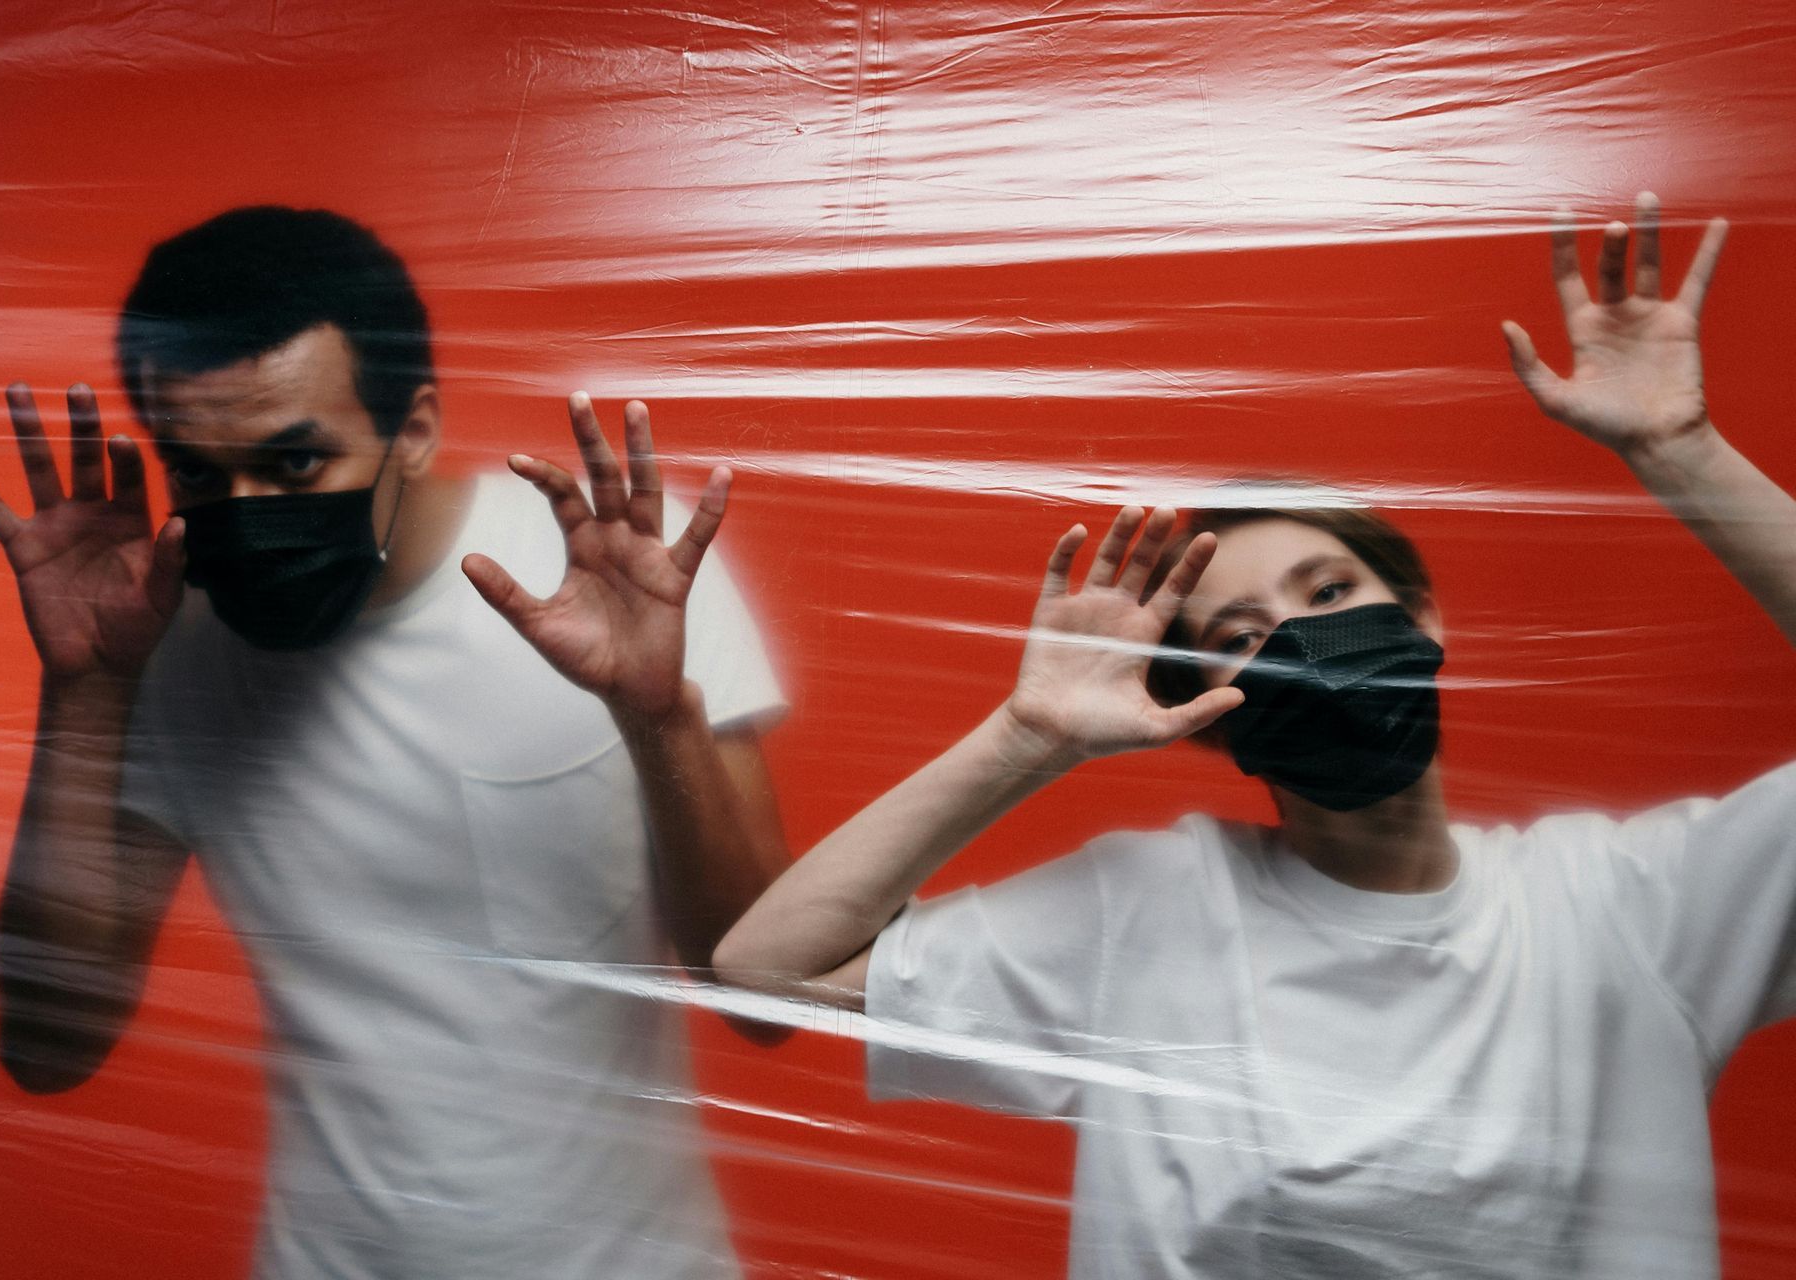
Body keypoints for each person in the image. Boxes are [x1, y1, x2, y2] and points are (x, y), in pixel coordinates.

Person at [714, 193, 1796, 1279]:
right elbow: (763, 968)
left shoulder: (1625, 909)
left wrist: (1683, 451)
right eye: (1241, 637)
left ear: (1422, 617)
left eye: (1329, 591)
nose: (1302, 642)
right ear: (1205, 711)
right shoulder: (1153, 910)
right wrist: (1026, 734)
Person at [0, 206, 789, 1279]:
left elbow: (768, 1000)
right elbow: (49, 1046)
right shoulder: (167, 645)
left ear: (415, 428)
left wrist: (656, 714)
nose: (247, 511)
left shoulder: (616, 578)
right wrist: (86, 688)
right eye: (197, 473)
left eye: (296, 461)